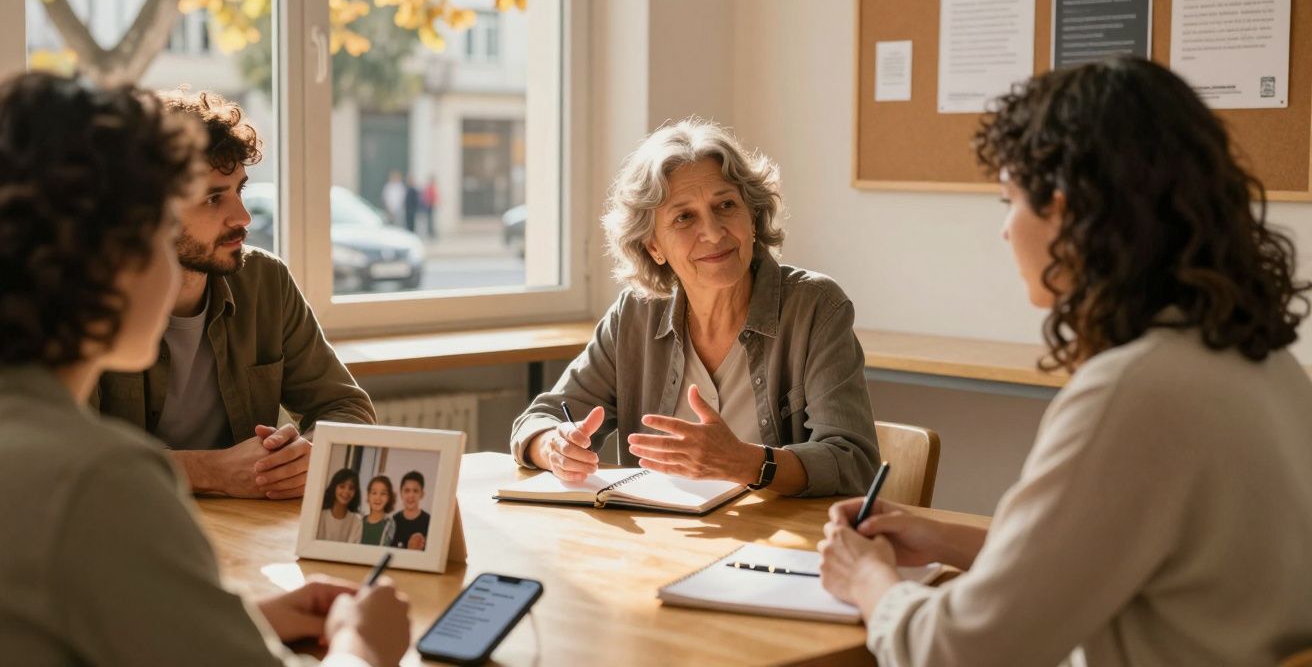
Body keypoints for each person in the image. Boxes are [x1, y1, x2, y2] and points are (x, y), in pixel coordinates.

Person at [818, 57, 1312, 665]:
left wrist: (867, 580)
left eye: (1009, 199)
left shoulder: (1133, 391)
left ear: (1065, 208)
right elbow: (1119, 554)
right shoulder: (1265, 364)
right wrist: (947, 538)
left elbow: (955, 652)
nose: (1004, 231)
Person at [0, 72, 410, 666]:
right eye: (157, 230)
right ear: (115, 254)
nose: (241, 217)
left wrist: (238, 622)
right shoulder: (102, 479)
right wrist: (363, 642)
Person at [509, 118, 879, 496]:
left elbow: (853, 462)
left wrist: (745, 462)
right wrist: (553, 445)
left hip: (779, 544)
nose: (715, 232)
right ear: (653, 245)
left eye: (726, 205)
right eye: (685, 217)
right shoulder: (635, 315)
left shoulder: (816, 307)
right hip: (664, 542)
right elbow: (539, 419)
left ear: (752, 216)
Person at [92, 91, 376, 501]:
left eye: (239, 190)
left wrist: (309, 456)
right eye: (213, 198)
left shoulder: (265, 280)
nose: (243, 217)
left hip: (247, 529)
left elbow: (347, 408)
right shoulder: (85, 299)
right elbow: (64, 456)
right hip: (129, 531)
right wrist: (211, 471)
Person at [317, 468, 364, 544]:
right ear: (334, 488)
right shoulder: (321, 516)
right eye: (342, 486)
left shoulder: (357, 523)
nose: (346, 491)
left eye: (351, 488)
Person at [390, 471, 431, 550]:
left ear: (422, 494)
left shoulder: (429, 522)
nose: (411, 495)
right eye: (407, 490)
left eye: (415, 491)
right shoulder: (393, 521)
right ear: (401, 493)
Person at [360, 475, 398, 546]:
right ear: (368, 496)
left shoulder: (390, 525)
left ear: (389, 497)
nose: (378, 497)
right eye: (374, 493)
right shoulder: (359, 523)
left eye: (383, 494)